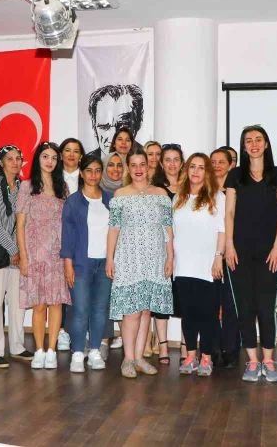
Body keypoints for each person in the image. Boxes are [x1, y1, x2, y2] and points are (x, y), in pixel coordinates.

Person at [225, 125, 277, 384]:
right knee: (245, 306)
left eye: (258, 139)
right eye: (248, 140)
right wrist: (229, 245)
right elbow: (229, 213)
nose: (254, 144)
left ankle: (269, 361)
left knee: (266, 307)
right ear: (244, 146)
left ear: (266, 144)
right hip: (239, 252)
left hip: (269, 252)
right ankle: (252, 360)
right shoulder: (235, 176)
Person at [107, 150, 173, 378]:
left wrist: (170, 257)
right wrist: (110, 258)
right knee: (131, 311)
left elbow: (168, 229)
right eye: (133, 164)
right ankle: (127, 359)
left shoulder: (161, 194)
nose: (138, 169)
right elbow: (113, 229)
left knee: (146, 310)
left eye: (142, 164)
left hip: (154, 258)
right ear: (128, 167)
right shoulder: (120, 195)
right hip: (128, 258)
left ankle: (139, 358)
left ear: (148, 166)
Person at [16, 142, 70, 369]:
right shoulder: (27, 186)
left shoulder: (62, 188)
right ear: (38, 159)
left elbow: (67, 224)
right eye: (45, 156)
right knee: (39, 305)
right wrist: (24, 256)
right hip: (35, 255)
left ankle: (52, 350)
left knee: (56, 303)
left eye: (54, 158)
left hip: (57, 255)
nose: (50, 161)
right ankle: (39, 350)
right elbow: (20, 225)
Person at [174, 154, 226, 377]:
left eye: (201, 167)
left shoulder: (217, 197)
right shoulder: (178, 197)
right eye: (192, 167)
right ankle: (190, 356)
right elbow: (171, 232)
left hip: (207, 266)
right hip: (182, 266)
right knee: (188, 315)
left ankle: (206, 357)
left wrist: (218, 256)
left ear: (207, 172)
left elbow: (222, 230)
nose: (196, 171)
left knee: (208, 315)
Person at [0, 145, 34, 368]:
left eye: (18, 158)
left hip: (18, 254)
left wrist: (20, 250)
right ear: (1, 162)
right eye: (10, 158)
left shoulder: (24, 187)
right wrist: (13, 249)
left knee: (18, 302)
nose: (15, 162)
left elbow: (26, 221)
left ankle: (17, 346)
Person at [61, 155, 113, 373]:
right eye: (89, 170)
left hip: (105, 265)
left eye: (97, 170)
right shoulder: (73, 202)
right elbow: (67, 236)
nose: (93, 175)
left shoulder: (110, 199)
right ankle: (77, 353)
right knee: (80, 309)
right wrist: (68, 264)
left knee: (100, 310)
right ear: (81, 173)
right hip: (81, 264)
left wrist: (112, 260)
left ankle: (94, 351)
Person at [148, 143, 185, 363]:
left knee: (187, 299)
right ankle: (162, 346)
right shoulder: (155, 189)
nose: (172, 164)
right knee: (161, 298)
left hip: (187, 251)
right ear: (161, 163)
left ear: (182, 163)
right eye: (168, 159)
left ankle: (186, 346)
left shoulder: (191, 187)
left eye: (176, 159)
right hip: (161, 250)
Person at [210, 148, 240, 369]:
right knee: (211, 304)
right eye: (213, 162)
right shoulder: (205, 191)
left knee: (230, 304)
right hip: (208, 253)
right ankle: (213, 349)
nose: (217, 166)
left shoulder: (238, 191)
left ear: (231, 165)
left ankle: (231, 350)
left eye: (222, 162)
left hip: (232, 252)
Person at [57, 138, 85, 351]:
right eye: (67, 150)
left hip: (82, 240)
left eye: (76, 151)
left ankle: (79, 331)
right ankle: (62, 331)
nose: (72, 155)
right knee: (59, 288)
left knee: (78, 286)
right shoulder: (53, 178)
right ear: (61, 154)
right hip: (56, 238)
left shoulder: (88, 178)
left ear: (81, 156)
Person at [99, 151, 124, 349]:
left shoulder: (129, 191)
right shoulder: (96, 191)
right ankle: (103, 337)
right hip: (102, 250)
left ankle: (125, 335)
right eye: (111, 165)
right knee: (104, 296)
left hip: (125, 250)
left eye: (119, 165)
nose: (115, 169)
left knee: (122, 294)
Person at [87, 84, 144, 159]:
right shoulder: (86, 162)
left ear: (138, 123)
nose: (113, 137)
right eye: (104, 127)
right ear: (94, 127)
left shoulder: (149, 158)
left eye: (122, 126)